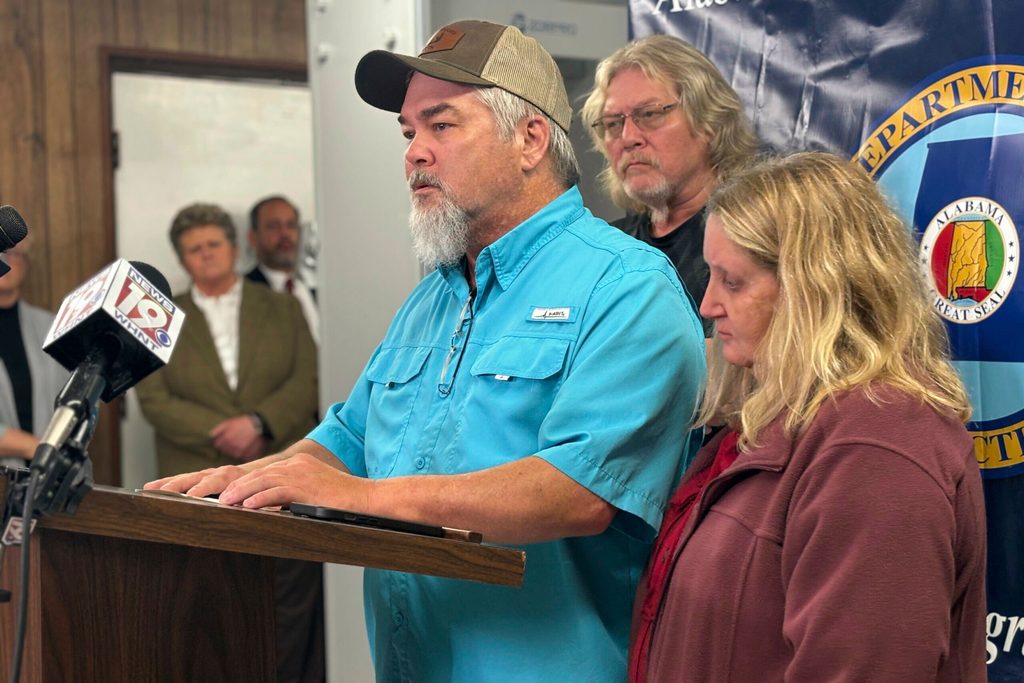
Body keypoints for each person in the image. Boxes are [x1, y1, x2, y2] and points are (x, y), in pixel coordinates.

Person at [147, 20, 706, 682]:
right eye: (409, 132)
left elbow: (577, 490)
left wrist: (360, 494)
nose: (414, 152)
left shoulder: (627, 286)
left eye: (441, 126)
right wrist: (239, 486)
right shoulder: (433, 298)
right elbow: (347, 437)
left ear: (529, 139)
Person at [630, 152, 987, 682]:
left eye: (733, 282)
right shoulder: (784, 418)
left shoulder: (876, 448)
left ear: (811, 289)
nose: (707, 305)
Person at [134, 202, 324, 683]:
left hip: (277, 478)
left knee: (285, 606)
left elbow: (307, 380)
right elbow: (153, 398)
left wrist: (259, 423)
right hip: (194, 485)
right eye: (194, 249)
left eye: (214, 244)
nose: (206, 256)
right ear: (182, 259)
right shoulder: (160, 314)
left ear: (236, 248)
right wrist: (227, 430)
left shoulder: (282, 306)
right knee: (204, 609)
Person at [582, 35, 758, 337]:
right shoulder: (603, 246)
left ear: (709, 123)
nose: (628, 137)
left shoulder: (753, 238)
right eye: (613, 122)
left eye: (649, 114)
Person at [0, 237, 70, 469]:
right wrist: (35, 446)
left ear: (26, 262)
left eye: (13, 253)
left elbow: (70, 402)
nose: (5, 261)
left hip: (45, 480)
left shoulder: (52, 327)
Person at [245, 195, 319, 345]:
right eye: (273, 226)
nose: (285, 234)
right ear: (253, 237)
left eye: (291, 225)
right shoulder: (243, 292)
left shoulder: (316, 290)